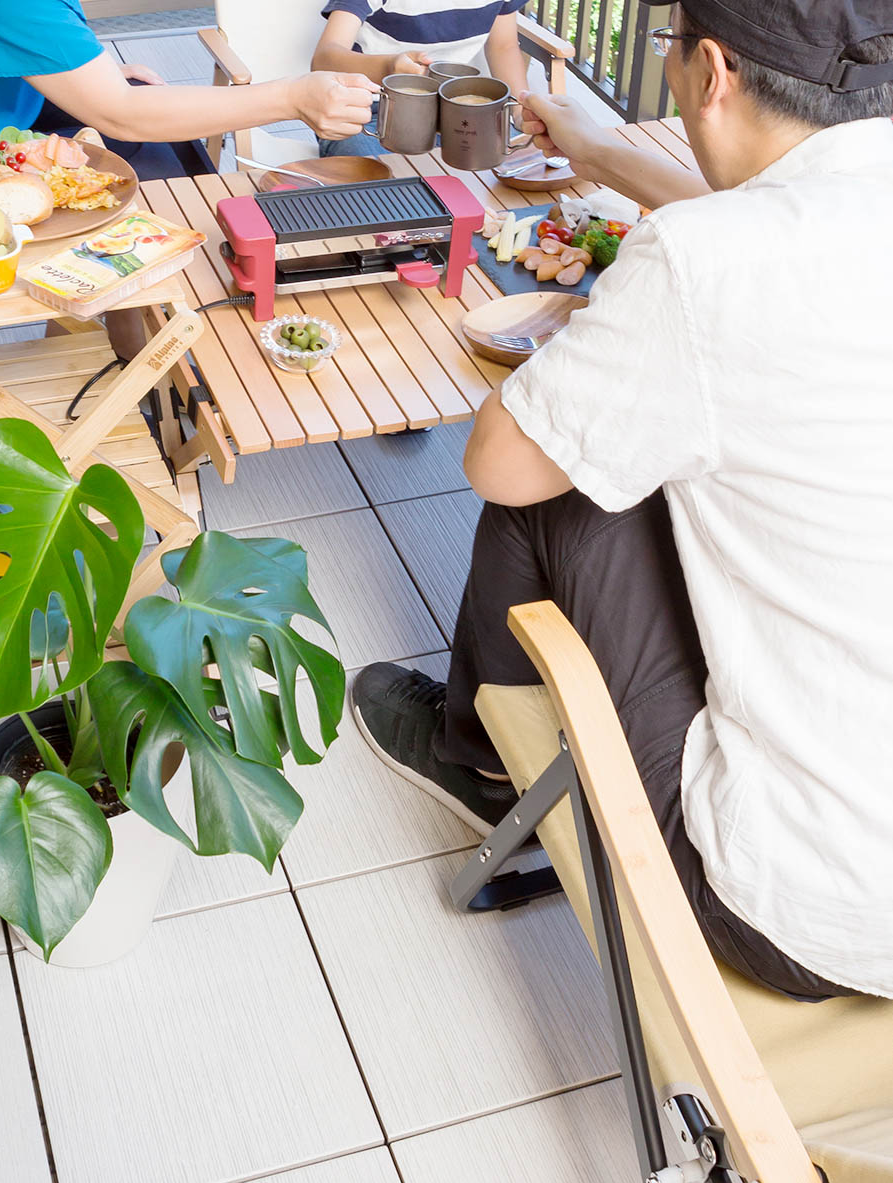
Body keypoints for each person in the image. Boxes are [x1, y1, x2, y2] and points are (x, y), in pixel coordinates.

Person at [352, 0, 893, 1000]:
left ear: (712, 70)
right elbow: (784, 223)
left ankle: (475, 765)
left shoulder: (703, 263)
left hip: (815, 914)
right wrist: (603, 153)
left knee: (556, 465)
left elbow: (502, 464)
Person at [0, 0, 377, 249]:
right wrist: (294, 98)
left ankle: (136, 330)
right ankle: (137, 328)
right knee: (136, 145)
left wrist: (89, 72)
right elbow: (120, 115)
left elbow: (30, 38)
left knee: (166, 156)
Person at [311, 0, 531, 157]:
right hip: (371, 114)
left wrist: (521, 112)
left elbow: (504, 47)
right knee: (372, 177)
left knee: (513, 162)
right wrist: (389, 68)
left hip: (454, 115)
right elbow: (323, 59)